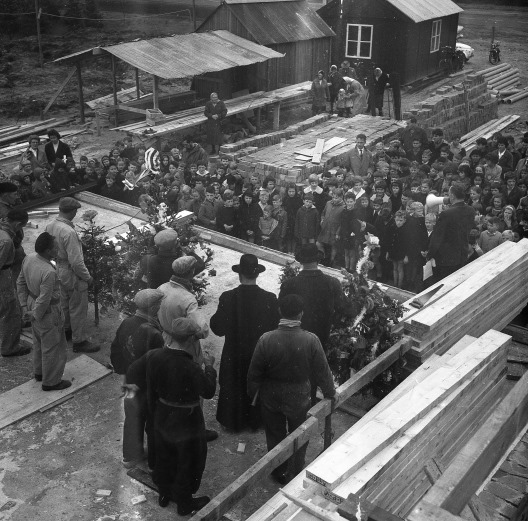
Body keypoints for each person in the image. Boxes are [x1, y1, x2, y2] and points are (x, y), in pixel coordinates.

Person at [126, 317, 216, 514]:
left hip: (162, 414)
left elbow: (137, 374)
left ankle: (164, 494)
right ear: (192, 339)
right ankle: (185, 504)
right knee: (188, 460)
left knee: (165, 456)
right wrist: (209, 367)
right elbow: (208, 391)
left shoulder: (154, 355)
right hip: (187, 420)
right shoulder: (191, 367)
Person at [247, 294, 335, 485]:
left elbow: (254, 373)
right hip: (299, 394)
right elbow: (323, 371)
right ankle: (295, 470)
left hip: (270, 393)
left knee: (274, 433)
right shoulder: (311, 340)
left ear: (280, 311)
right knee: (299, 433)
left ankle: (278, 470)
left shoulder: (266, 339)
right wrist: (330, 393)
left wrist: (253, 397)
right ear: (301, 314)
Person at [210, 254, 279, 432]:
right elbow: (275, 329)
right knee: (256, 382)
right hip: (259, 352)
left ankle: (234, 421)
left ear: (239, 275)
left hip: (234, 352)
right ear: (257, 275)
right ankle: (255, 420)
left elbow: (217, 328)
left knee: (233, 383)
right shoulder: (270, 299)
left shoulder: (228, 297)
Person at [157, 256, 218, 442]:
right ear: (191, 272)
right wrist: (197, 333)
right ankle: (196, 429)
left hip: (166, 337)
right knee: (193, 385)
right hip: (186, 343)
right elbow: (203, 330)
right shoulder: (187, 299)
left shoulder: (162, 288)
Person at [111, 289, 165, 469]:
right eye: (158, 304)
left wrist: (124, 371)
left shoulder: (126, 323)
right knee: (153, 417)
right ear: (154, 307)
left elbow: (115, 351)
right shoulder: (154, 333)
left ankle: (130, 456)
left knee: (132, 417)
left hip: (130, 378)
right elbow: (158, 364)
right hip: (147, 384)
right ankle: (154, 458)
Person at [17, 232, 70, 390]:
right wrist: (35, 314)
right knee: (53, 346)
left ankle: (39, 372)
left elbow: (20, 282)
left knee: (39, 342)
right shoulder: (49, 271)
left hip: (32, 303)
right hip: (47, 310)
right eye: (55, 247)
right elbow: (45, 298)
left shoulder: (29, 258)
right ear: (48, 251)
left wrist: (25, 308)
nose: (57, 249)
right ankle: (51, 381)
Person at [45, 197, 98, 353]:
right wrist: (88, 278)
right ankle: (79, 340)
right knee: (78, 306)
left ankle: (66, 330)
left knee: (64, 303)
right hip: (71, 271)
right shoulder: (68, 231)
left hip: (58, 268)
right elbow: (76, 262)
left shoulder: (50, 225)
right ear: (73, 211)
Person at [427, 183, 476, 283]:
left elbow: (437, 238)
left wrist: (429, 254)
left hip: (445, 259)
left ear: (452, 196)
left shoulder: (446, 214)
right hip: (462, 254)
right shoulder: (471, 210)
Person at [0, 208, 30, 357]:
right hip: (3, 276)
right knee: (11, 312)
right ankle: (10, 347)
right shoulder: (6, 241)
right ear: (18, 224)